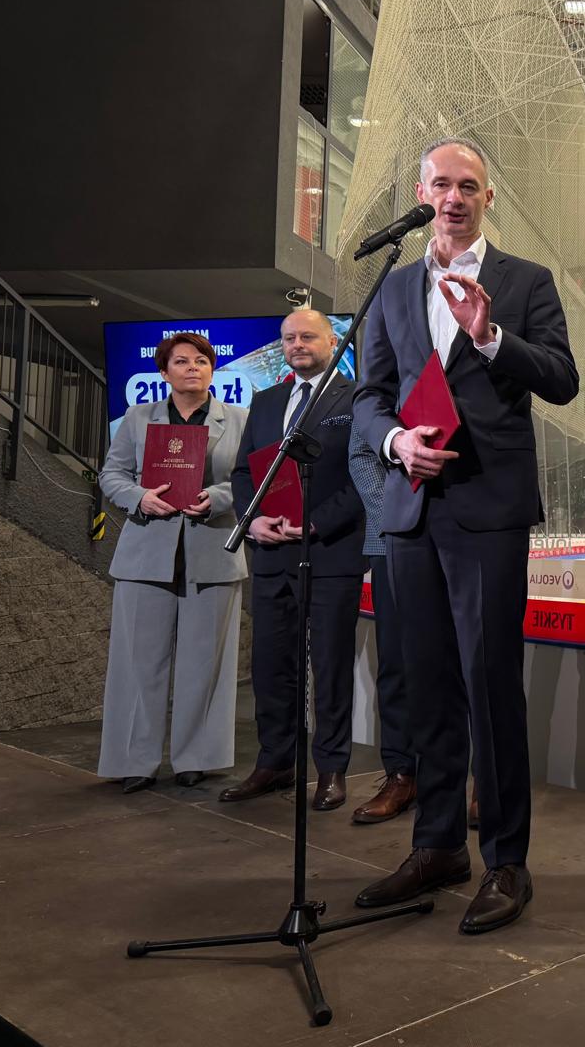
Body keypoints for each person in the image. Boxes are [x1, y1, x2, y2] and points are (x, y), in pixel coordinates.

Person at [351, 137, 579, 935]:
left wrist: (490, 339)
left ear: (488, 197)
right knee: (426, 684)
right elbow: (371, 395)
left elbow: (562, 378)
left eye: (468, 185)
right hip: (413, 507)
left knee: (489, 685)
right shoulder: (393, 287)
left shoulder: (525, 281)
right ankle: (439, 844)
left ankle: (507, 861)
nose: (453, 197)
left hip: (488, 510)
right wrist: (394, 442)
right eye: (441, 184)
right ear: (422, 193)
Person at [223, 310, 366, 811]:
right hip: (270, 553)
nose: (297, 344)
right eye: (288, 338)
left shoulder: (360, 397)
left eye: (307, 336)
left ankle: (331, 769)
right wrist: (252, 520)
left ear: (332, 342)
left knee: (329, 668)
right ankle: (276, 762)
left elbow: (364, 475)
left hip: (330, 552)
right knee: (270, 666)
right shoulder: (265, 401)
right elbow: (244, 473)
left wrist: (316, 524)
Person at [96, 333, 249, 793]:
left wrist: (217, 497)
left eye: (201, 360)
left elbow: (251, 478)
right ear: (164, 372)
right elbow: (111, 475)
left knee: (206, 665)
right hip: (146, 554)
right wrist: (140, 497)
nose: (192, 368)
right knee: (137, 665)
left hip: (213, 551)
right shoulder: (137, 418)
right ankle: (133, 761)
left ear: (212, 370)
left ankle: (196, 758)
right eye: (181, 361)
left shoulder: (240, 419)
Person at [347, 421, 418, 822]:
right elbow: (360, 454)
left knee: (470, 661)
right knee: (395, 664)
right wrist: (396, 511)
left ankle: (483, 779)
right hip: (390, 537)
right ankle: (401, 773)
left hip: (460, 532)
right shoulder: (378, 386)